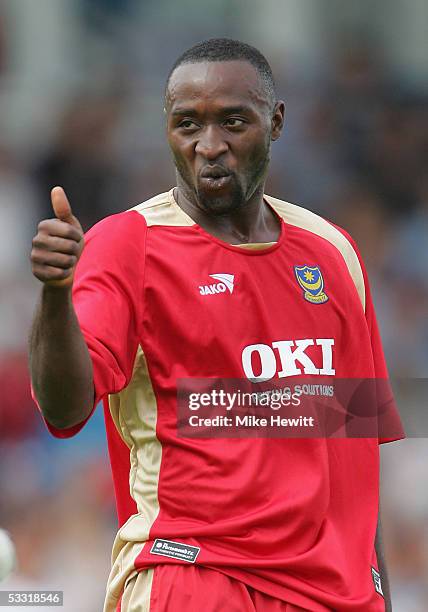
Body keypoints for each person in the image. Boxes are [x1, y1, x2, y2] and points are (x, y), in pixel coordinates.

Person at [29, 38, 403, 611]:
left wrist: (379, 594)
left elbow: (355, 458)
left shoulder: (332, 253)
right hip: (193, 575)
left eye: (234, 122)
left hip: (331, 596)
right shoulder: (126, 244)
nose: (210, 147)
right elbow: (64, 406)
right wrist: (55, 295)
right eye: (187, 125)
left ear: (275, 122)